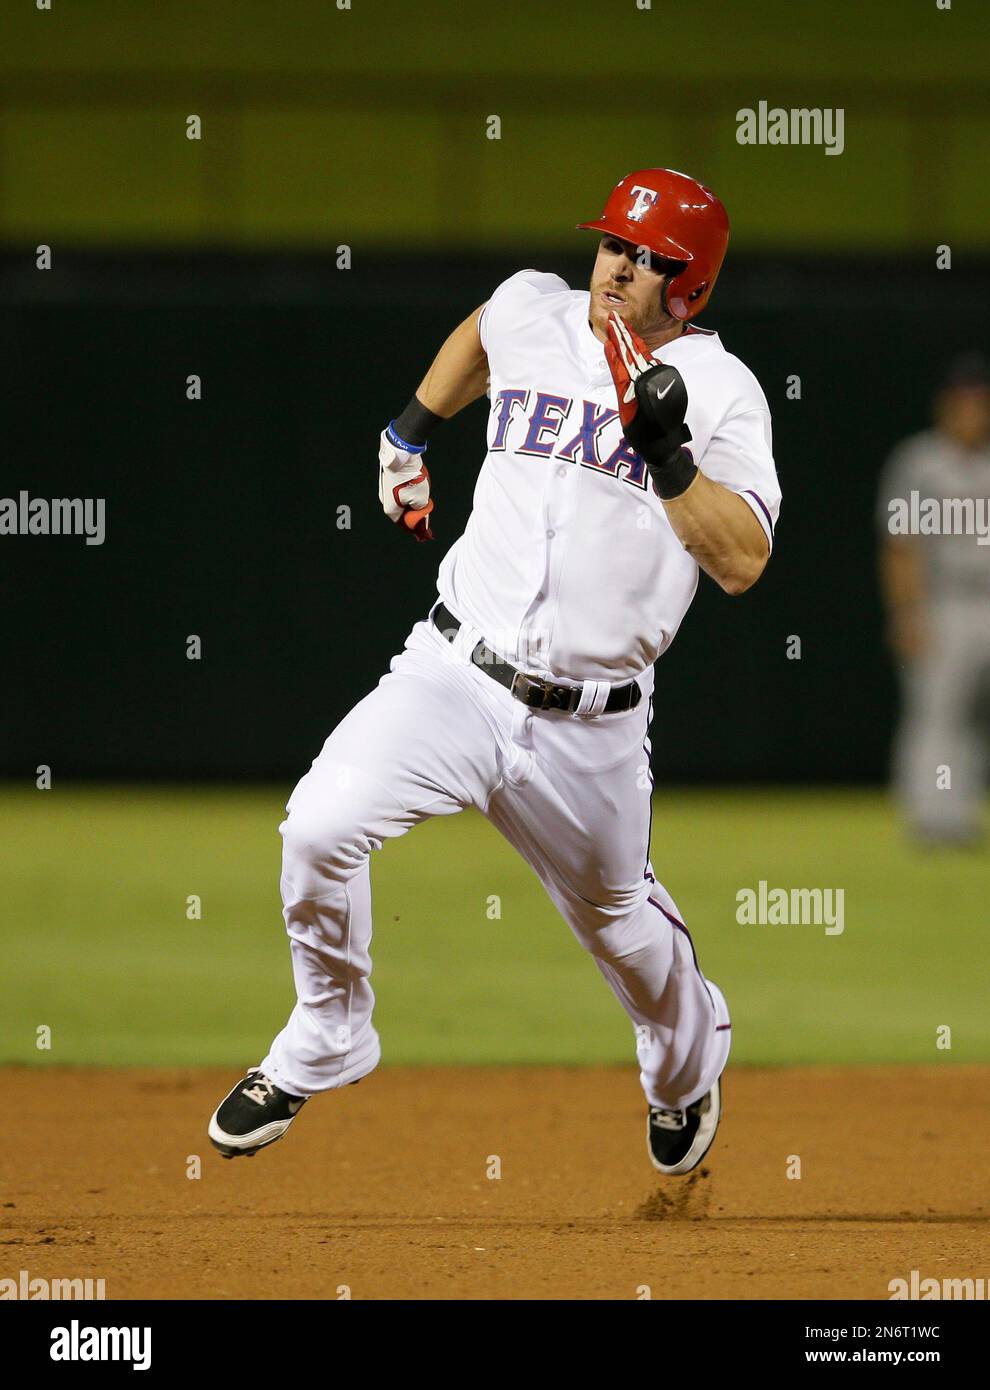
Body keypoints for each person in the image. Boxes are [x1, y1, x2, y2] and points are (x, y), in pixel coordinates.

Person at [208, 168, 781, 1176]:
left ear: (691, 286)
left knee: (628, 942)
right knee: (319, 828)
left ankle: (685, 1070)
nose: (620, 266)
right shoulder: (536, 310)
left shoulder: (723, 391)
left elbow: (741, 561)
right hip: (457, 674)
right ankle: (330, 1030)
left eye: (651, 259)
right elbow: (482, 331)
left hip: (592, 728)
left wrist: (672, 460)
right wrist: (409, 430)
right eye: (614, 243)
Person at [878, 353, 990, 845]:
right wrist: (907, 611)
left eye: (980, 403)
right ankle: (930, 815)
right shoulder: (921, 461)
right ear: (946, 406)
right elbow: (902, 544)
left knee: (976, 715)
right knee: (936, 711)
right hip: (943, 602)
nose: (973, 411)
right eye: (964, 402)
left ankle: (960, 812)